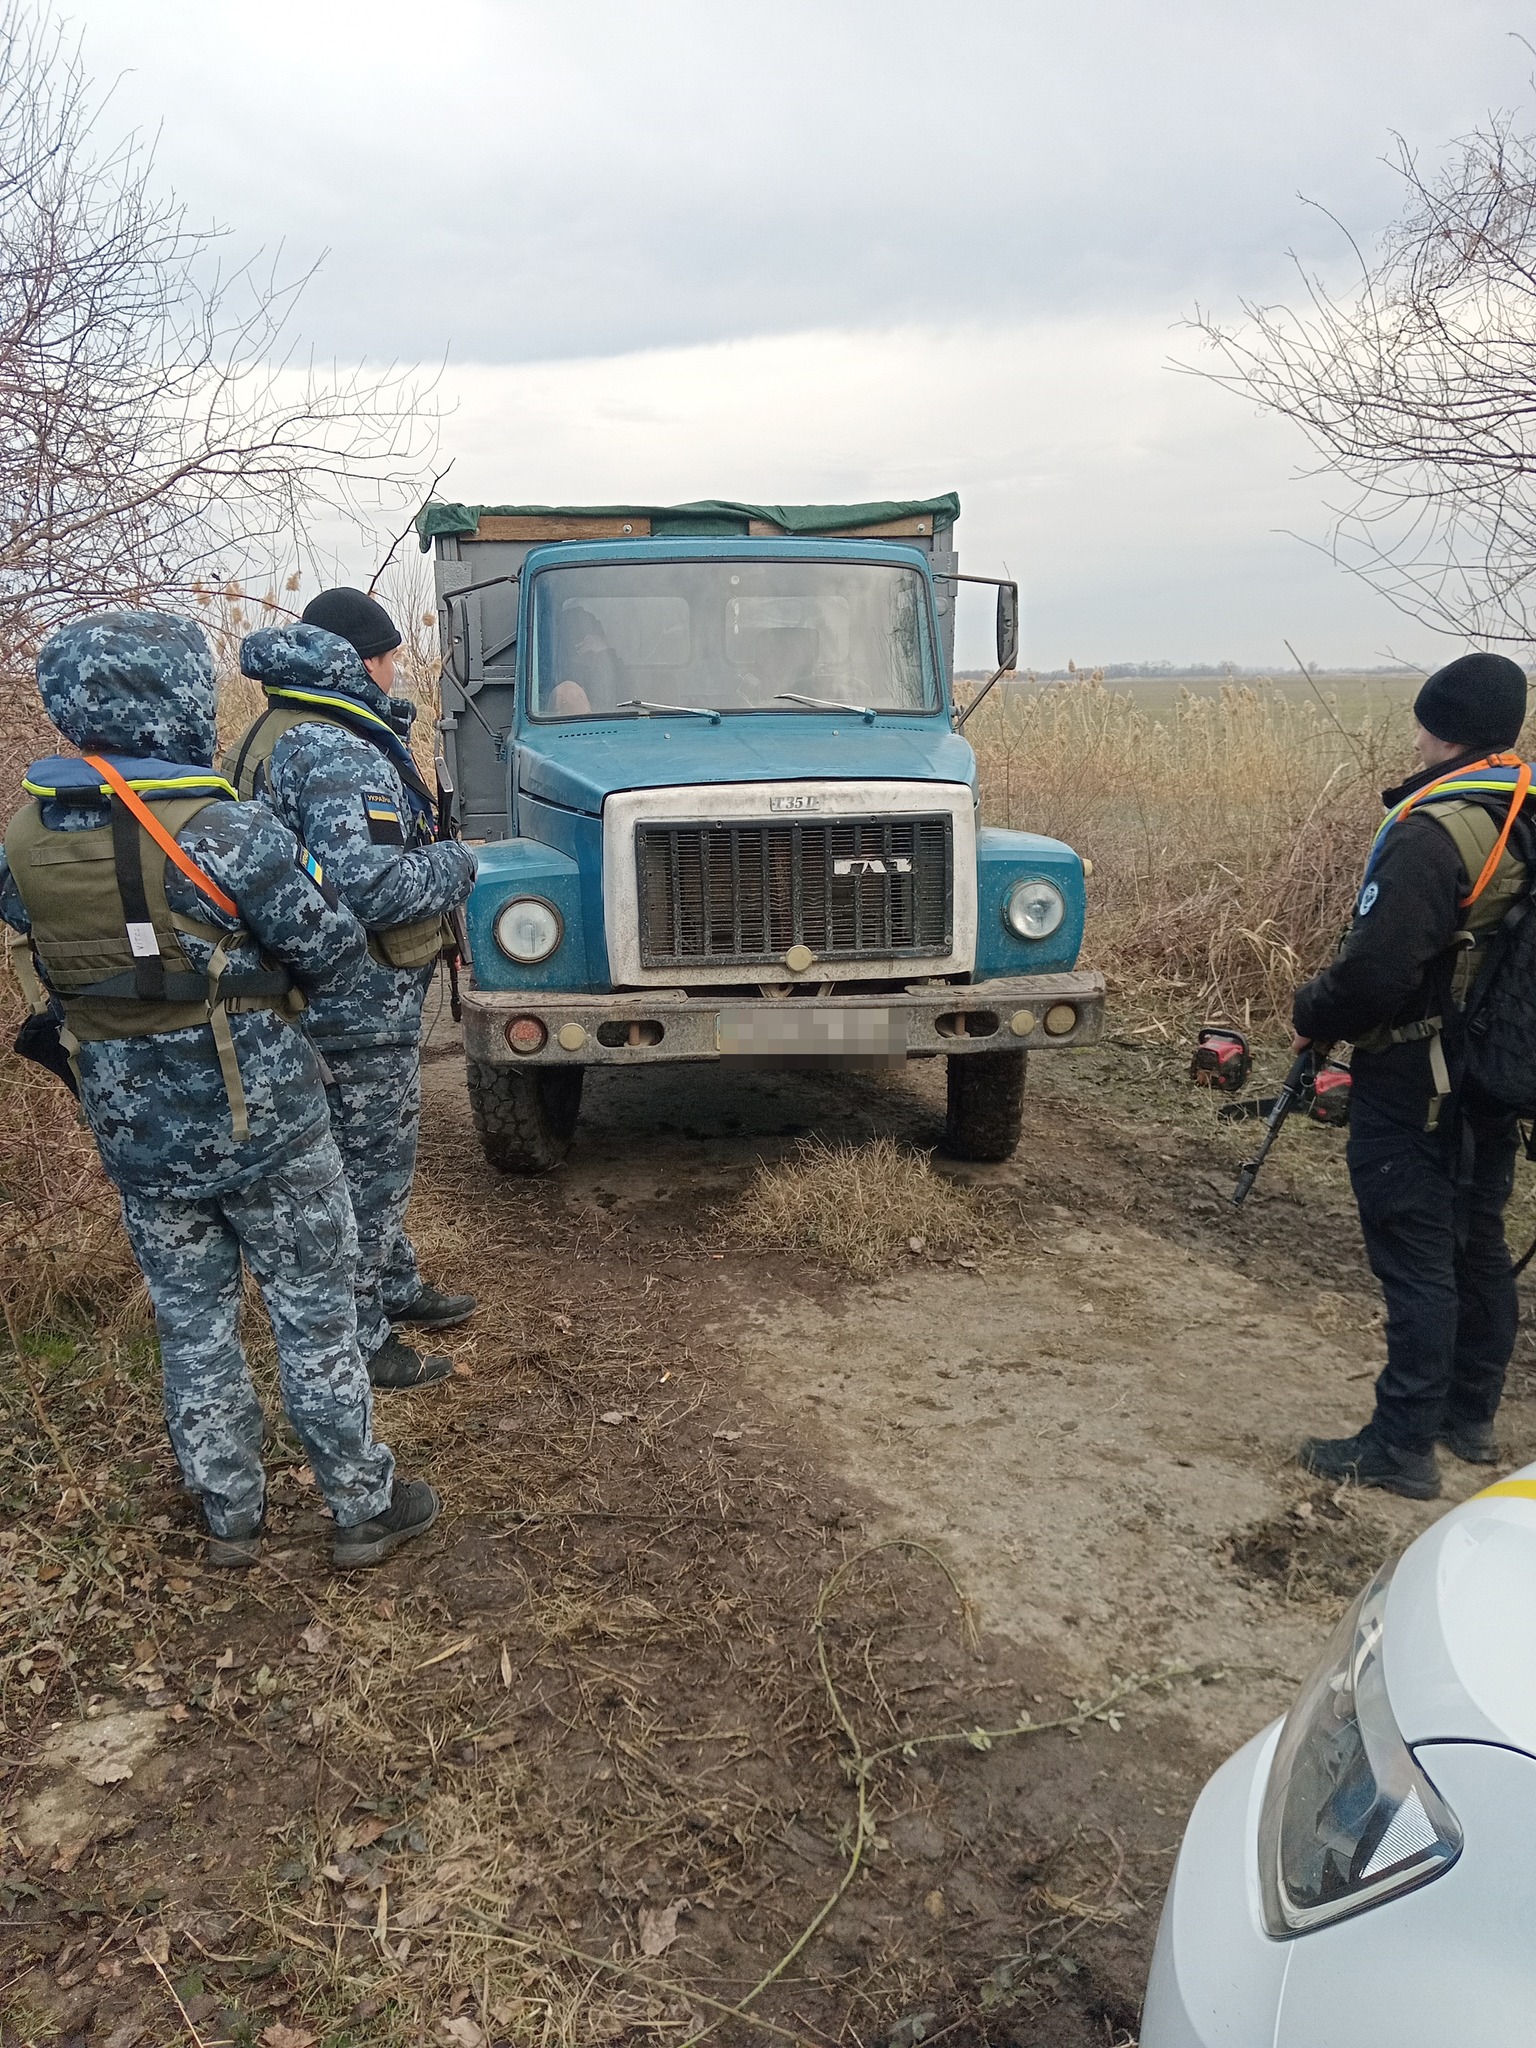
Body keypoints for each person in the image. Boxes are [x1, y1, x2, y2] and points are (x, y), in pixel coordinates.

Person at [0, 610, 438, 1569]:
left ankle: (228, 1513)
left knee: (192, 1324)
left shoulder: (22, 840)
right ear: (183, 698)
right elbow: (330, 951)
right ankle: (361, 1506)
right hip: (269, 1124)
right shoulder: (225, 830)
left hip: (135, 1139)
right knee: (314, 1312)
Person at [1293, 650, 1531, 1500]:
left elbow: (1373, 976)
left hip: (1419, 1077)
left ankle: (1402, 1444)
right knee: (1478, 1237)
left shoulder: (1434, 833)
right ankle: (1469, 1417)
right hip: (1497, 1075)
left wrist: (1309, 1013)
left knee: (1418, 1252)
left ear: (1436, 726)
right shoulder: (1521, 811)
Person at [228, 589, 477, 1390]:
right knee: (367, 1169)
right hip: (353, 1003)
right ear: (364, 660)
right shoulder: (335, 748)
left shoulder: (270, 734)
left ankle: (392, 1284)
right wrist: (461, 860)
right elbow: (372, 888)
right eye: (391, 655)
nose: (397, 668)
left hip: (309, 991)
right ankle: (363, 1335)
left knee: (373, 1158)